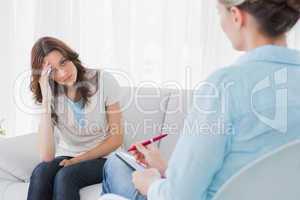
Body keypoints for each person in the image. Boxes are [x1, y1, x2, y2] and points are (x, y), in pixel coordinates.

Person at [101, 0, 300, 199]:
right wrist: (166, 170)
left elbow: (178, 196)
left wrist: (151, 183)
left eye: (218, 12)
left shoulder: (225, 85)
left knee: (114, 164)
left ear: (236, 16)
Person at [27, 37, 124, 200]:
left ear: (70, 55)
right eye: (54, 70)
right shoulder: (49, 93)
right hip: (69, 156)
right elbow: (47, 156)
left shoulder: (103, 80)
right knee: (40, 172)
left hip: (106, 157)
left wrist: (79, 160)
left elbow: (117, 139)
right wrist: (46, 101)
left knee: (66, 177)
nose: (63, 73)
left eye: (63, 62)